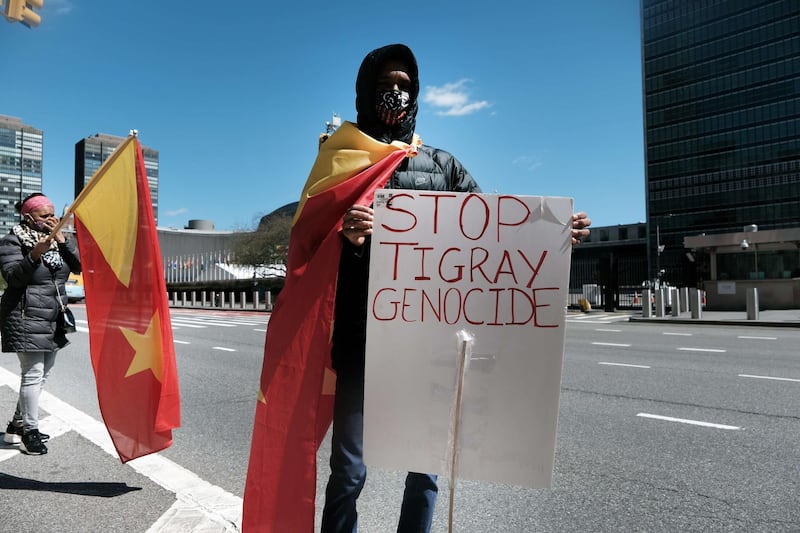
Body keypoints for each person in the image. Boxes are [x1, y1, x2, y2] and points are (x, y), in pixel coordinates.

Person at [321, 44, 591, 532]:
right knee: (349, 471)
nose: (396, 93)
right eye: (386, 84)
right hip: (363, 345)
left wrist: (554, 234)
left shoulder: (443, 165)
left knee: (425, 471)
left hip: (431, 347)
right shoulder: (342, 160)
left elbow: (493, 231)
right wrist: (350, 238)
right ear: (366, 91)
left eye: (405, 85)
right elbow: (309, 251)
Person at [0, 193, 81, 455]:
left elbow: (78, 267)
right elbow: (13, 278)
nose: (50, 220)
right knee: (33, 374)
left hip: (52, 316)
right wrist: (34, 255)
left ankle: (16, 425)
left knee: (43, 373)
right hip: (24, 316)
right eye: (43, 216)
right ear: (28, 217)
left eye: (52, 215)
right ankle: (30, 433)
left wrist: (63, 242)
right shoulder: (11, 242)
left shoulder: (57, 242)